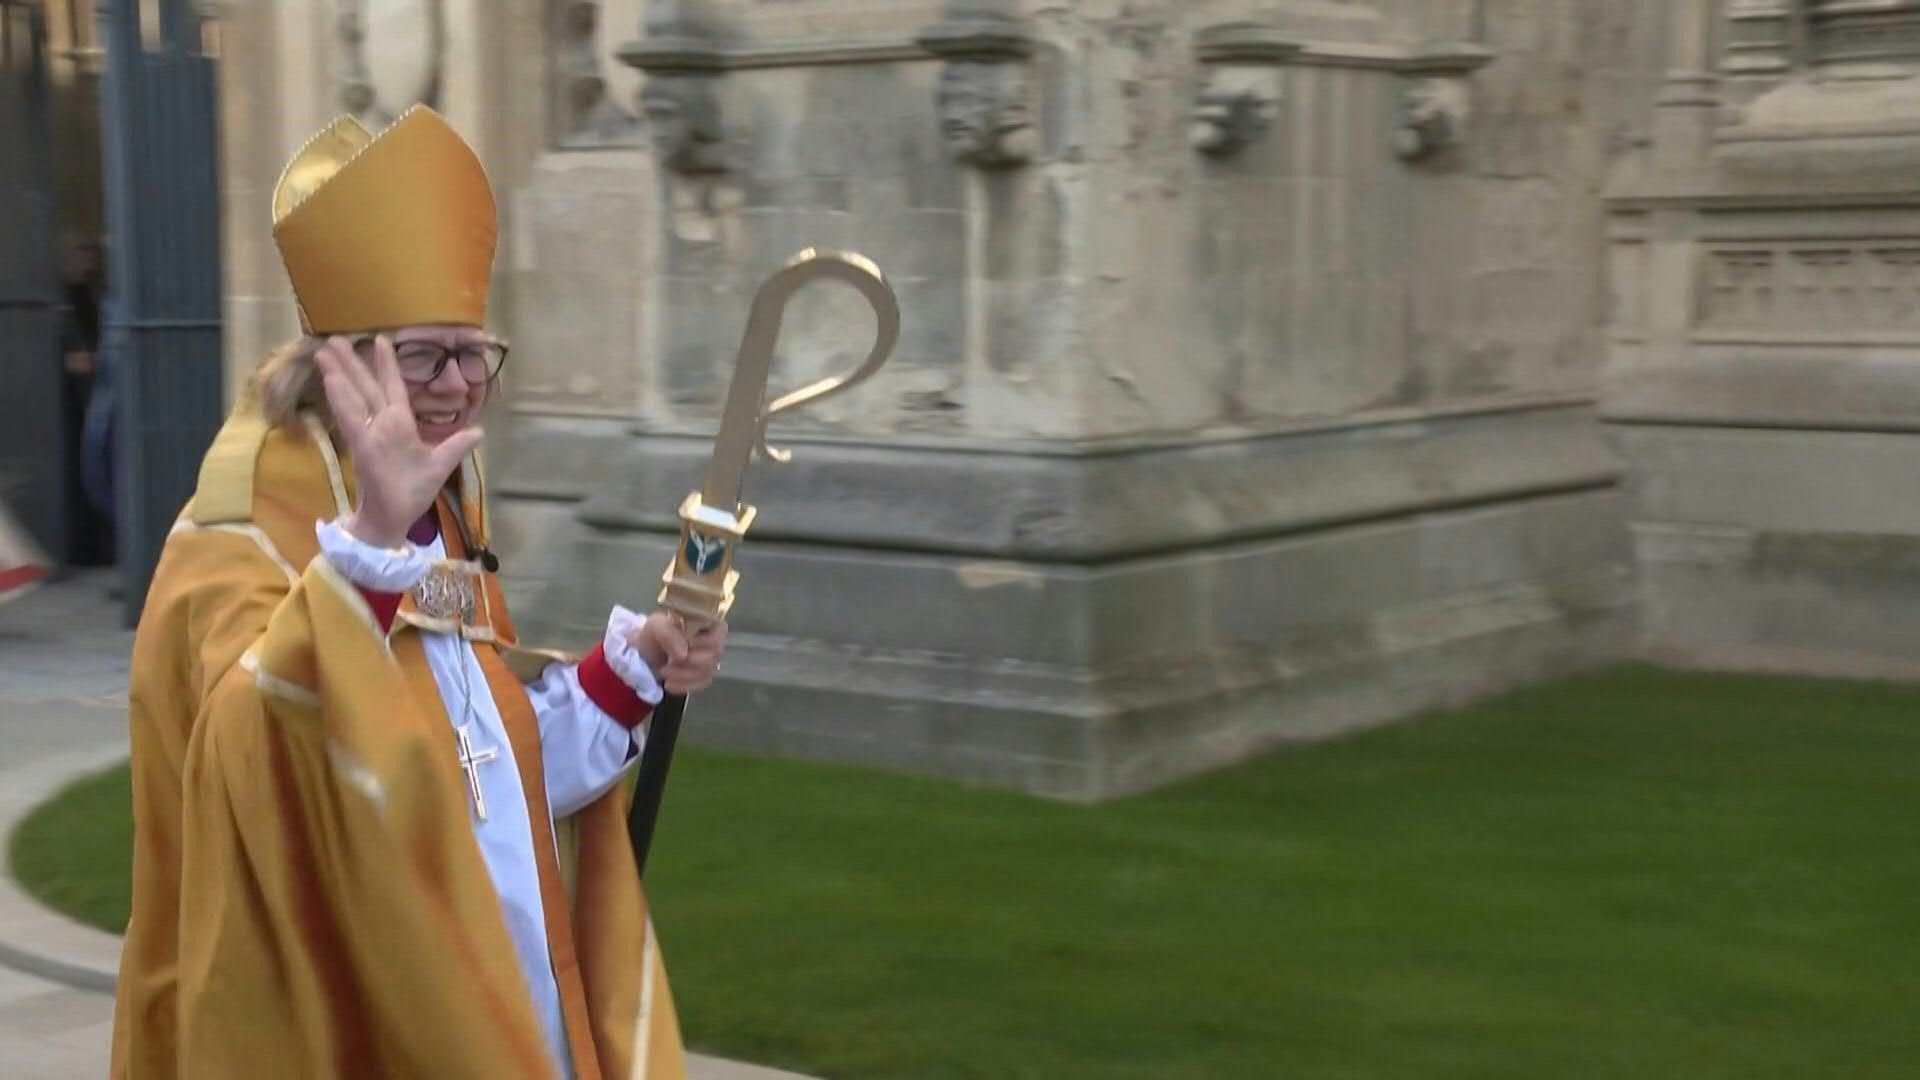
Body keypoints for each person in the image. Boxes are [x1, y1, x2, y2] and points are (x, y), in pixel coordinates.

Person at [110, 106, 724, 1079]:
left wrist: (630, 669)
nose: (454, 386)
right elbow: (248, 778)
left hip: (489, 993)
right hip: (347, 1006)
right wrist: (361, 556)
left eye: (472, 352)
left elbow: (477, 778)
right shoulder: (235, 523)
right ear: (340, 361)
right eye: (421, 355)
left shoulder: (442, 505)